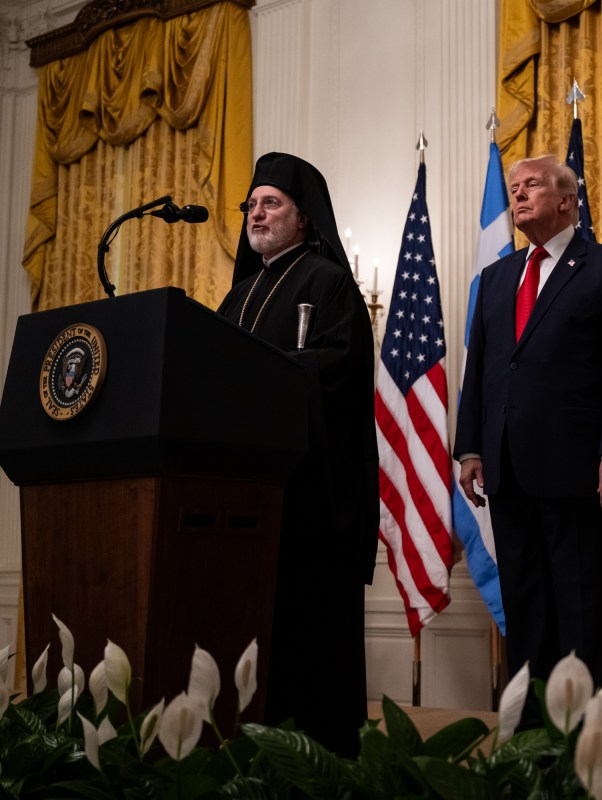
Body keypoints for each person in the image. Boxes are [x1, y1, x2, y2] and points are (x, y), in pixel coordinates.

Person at [454, 154, 602, 701]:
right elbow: (486, 368)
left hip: (581, 471)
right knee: (526, 604)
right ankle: (531, 739)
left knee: (579, 608)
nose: (518, 194)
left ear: (567, 200)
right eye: (514, 187)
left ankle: (580, 744)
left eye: (531, 185)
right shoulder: (496, 279)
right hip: (509, 467)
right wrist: (470, 447)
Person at [217, 152, 379, 756]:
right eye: (251, 205)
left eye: (270, 203)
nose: (257, 213)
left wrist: (278, 374)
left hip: (313, 499)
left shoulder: (328, 283)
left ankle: (323, 762)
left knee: (312, 641)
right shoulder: (237, 297)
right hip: (246, 502)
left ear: (305, 219)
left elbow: (339, 374)